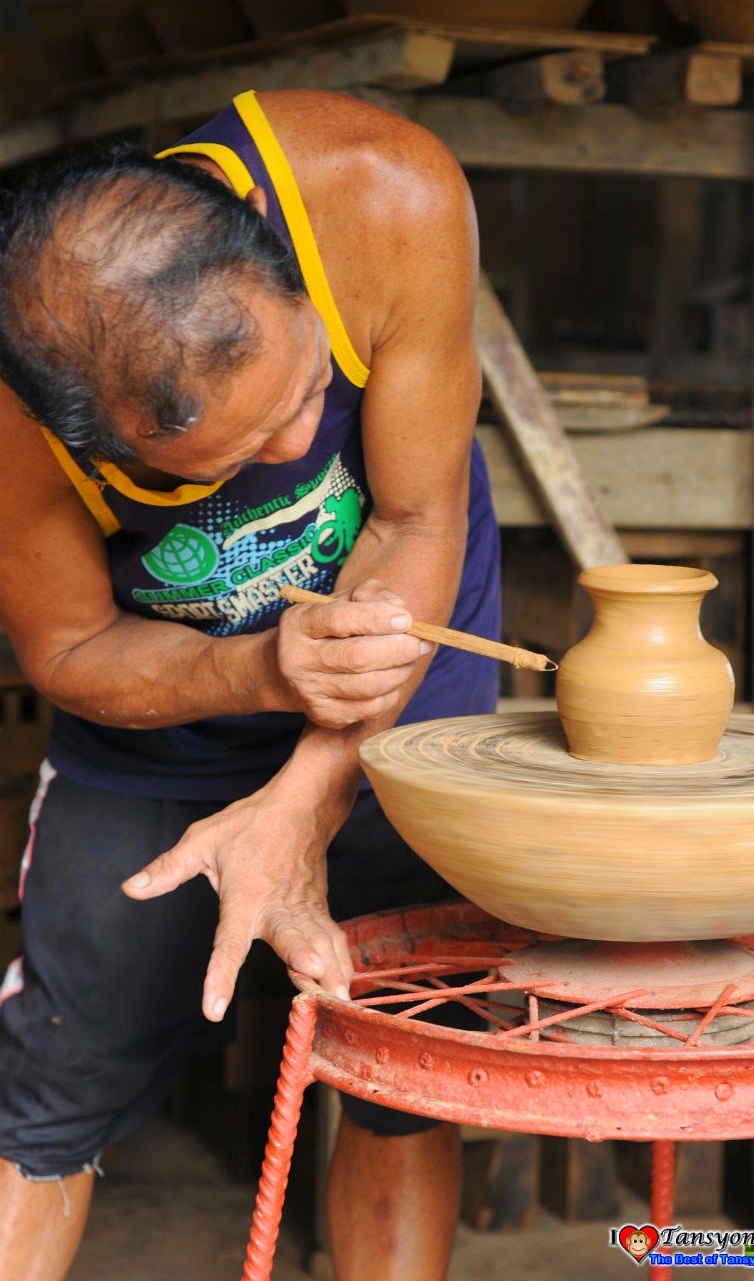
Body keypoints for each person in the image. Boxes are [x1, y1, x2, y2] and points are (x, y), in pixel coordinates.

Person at [0, 87, 501, 1280]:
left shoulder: (387, 193)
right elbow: (68, 651)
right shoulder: (14, 417)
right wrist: (263, 666)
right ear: (94, 436)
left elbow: (418, 514)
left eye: (305, 399)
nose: (293, 453)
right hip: (162, 711)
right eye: (230, 459)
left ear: (283, 270)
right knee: (57, 1076)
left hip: (409, 658)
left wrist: (305, 795)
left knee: (403, 1064)